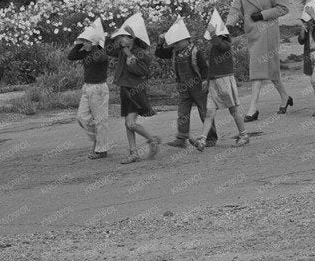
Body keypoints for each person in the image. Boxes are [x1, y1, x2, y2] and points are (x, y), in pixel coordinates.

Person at [227, 0, 292, 120]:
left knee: (257, 68)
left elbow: (284, 8)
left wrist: (263, 15)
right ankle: (285, 97)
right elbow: (236, 9)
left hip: (268, 33)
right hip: (253, 33)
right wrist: (228, 24)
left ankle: (253, 109)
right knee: (271, 71)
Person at [110, 13, 161, 163]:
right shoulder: (121, 50)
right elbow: (107, 48)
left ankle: (152, 140)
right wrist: (121, 45)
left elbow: (144, 72)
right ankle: (133, 152)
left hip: (135, 90)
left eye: (124, 36)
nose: (121, 39)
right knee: (127, 123)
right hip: (125, 89)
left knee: (130, 123)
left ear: (132, 38)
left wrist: (131, 62)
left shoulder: (140, 53)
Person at [157, 16, 211, 150]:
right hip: (183, 87)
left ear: (186, 40)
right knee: (182, 113)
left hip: (198, 86)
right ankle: (181, 138)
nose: (174, 45)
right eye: (173, 43)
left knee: (204, 112)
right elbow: (159, 53)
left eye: (177, 42)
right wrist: (159, 43)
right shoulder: (175, 51)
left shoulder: (195, 51)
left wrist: (205, 80)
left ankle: (210, 137)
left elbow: (204, 67)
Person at [197, 9, 249, 146]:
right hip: (214, 81)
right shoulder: (215, 46)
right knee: (209, 112)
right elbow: (212, 66)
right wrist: (207, 81)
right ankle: (202, 139)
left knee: (233, 109)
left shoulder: (225, 44)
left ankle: (243, 135)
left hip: (224, 80)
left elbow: (219, 44)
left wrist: (214, 33)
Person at [66, 16, 114, 159]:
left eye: (87, 41)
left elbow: (99, 57)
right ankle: (98, 142)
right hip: (87, 87)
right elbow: (71, 56)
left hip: (99, 88)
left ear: (93, 42)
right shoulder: (87, 51)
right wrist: (80, 42)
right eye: (84, 41)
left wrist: (93, 43)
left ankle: (101, 148)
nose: (84, 44)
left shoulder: (99, 51)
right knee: (81, 118)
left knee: (100, 120)